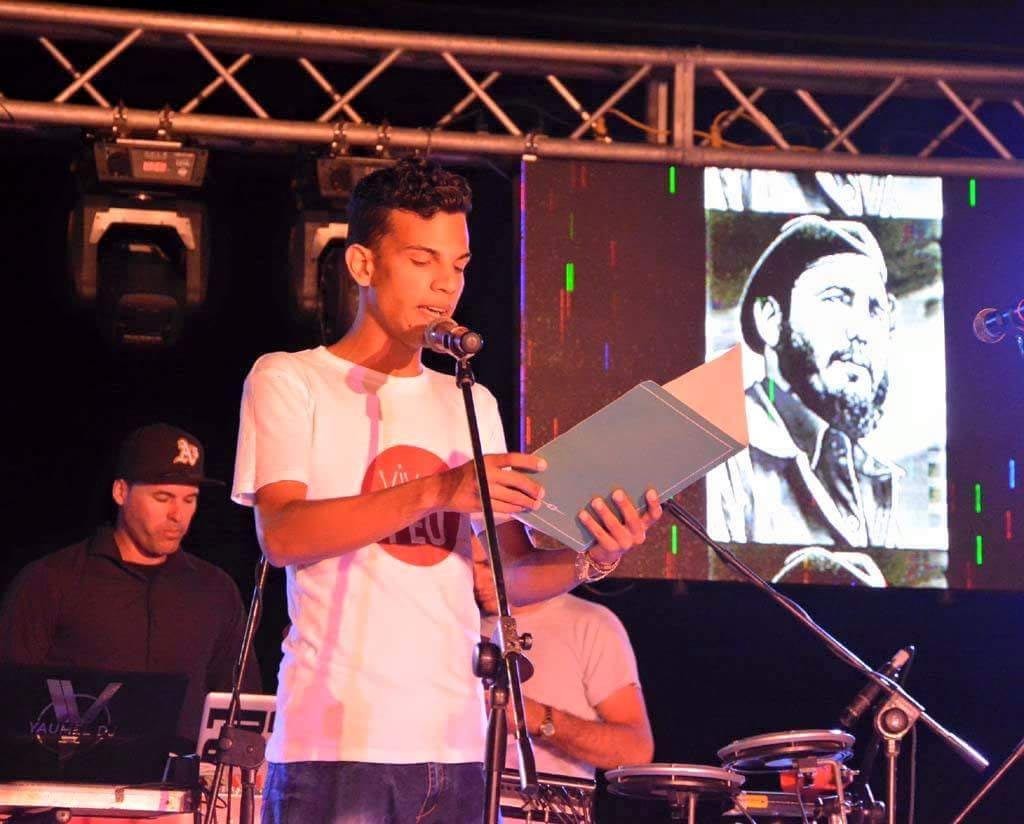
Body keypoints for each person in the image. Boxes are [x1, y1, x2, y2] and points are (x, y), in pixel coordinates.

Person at [231, 156, 663, 824]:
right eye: (421, 260)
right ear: (363, 266)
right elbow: (284, 535)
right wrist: (438, 490)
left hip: (458, 746)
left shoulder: (473, 401)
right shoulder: (292, 380)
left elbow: (506, 577)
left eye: (458, 265)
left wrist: (592, 558)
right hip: (337, 745)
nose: (444, 284)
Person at [0, 422, 260, 747]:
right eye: (163, 497)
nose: (178, 515)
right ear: (121, 492)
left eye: (189, 499)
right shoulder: (52, 580)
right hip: (72, 790)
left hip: (181, 790)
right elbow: (10, 694)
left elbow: (241, 701)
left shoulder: (215, 590)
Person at [708, 214, 901, 548]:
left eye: (875, 309)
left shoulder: (874, 475)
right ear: (770, 318)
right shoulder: (718, 450)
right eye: (837, 298)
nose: (861, 331)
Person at [482, 592, 653, 780]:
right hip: (460, 800)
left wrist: (538, 718)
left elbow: (636, 749)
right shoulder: (457, 622)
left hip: (545, 805)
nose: (477, 575)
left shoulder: (590, 623)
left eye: (485, 564)